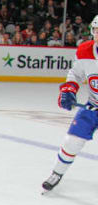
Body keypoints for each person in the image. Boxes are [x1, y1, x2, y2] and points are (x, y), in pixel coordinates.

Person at [43, 15, 98, 192]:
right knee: (71, 141)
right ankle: (57, 173)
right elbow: (75, 74)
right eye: (97, 30)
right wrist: (68, 91)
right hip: (93, 106)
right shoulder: (85, 51)